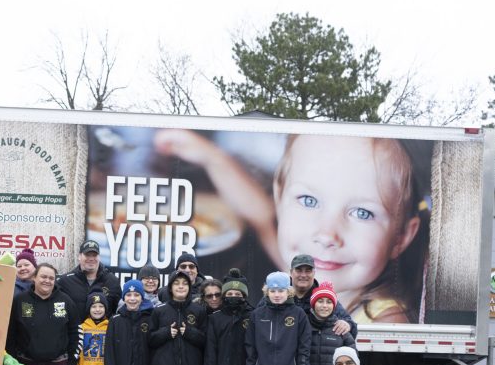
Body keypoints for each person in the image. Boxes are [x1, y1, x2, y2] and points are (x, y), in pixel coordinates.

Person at [155, 130, 424, 324]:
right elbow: (259, 215)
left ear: (401, 237)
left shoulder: (387, 318)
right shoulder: (299, 270)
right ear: (279, 198)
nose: (327, 235)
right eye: (308, 200)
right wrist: (212, 157)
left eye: (363, 213)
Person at [57, 240, 122, 365]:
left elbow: (116, 316)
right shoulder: (65, 281)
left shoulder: (112, 282)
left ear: (99, 257)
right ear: (80, 257)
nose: (90, 259)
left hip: (99, 356)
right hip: (74, 352)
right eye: (87, 255)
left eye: (94, 255)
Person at [149, 269, 206, 365]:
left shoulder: (198, 311)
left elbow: (205, 340)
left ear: (189, 287)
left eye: (184, 284)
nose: (181, 286)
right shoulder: (159, 311)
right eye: (176, 283)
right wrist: (166, 333)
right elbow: (150, 340)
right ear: (170, 287)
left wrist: (189, 333)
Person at [203, 269, 253, 365]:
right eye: (229, 293)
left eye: (238, 294)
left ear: (244, 296)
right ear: (224, 295)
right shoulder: (215, 319)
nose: (233, 297)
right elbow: (210, 353)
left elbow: (254, 353)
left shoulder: (253, 317)